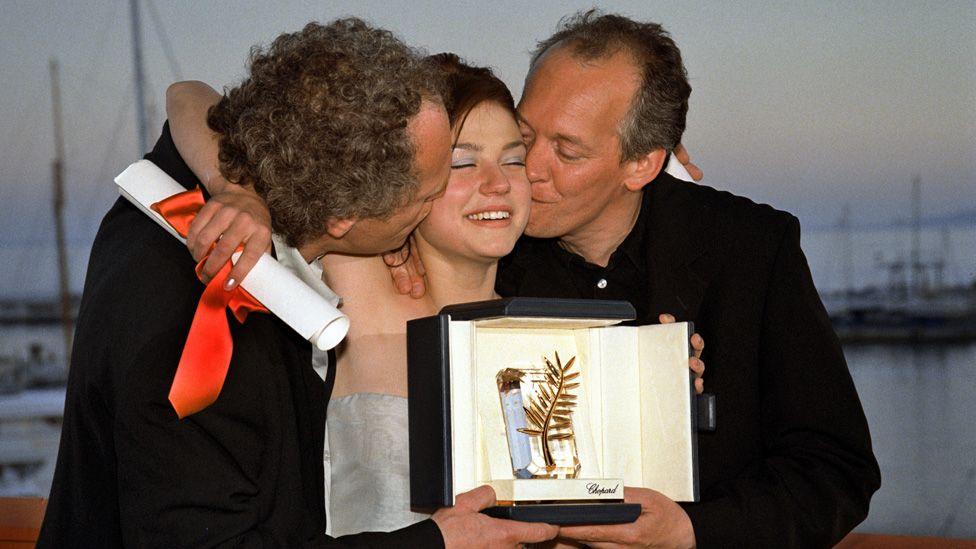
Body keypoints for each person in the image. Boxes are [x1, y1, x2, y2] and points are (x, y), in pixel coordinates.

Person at [191, 10, 883, 548]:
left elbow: (836, 469)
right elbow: (196, 103)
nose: (526, 173)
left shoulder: (749, 247)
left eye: (565, 150)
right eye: (530, 137)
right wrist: (243, 188)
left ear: (643, 163)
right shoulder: (469, 247)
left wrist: (691, 528)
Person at [38, 19, 558, 548]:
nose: (432, 207)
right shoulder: (207, 334)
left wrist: (230, 185)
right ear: (343, 219)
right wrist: (436, 543)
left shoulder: (167, 202)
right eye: (426, 195)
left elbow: (188, 107)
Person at [165, 53, 706, 537]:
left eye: (513, 158)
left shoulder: (553, 328)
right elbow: (188, 95)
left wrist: (650, 393)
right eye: (462, 162)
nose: (498, 183)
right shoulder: (353, 272)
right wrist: (238, 189)